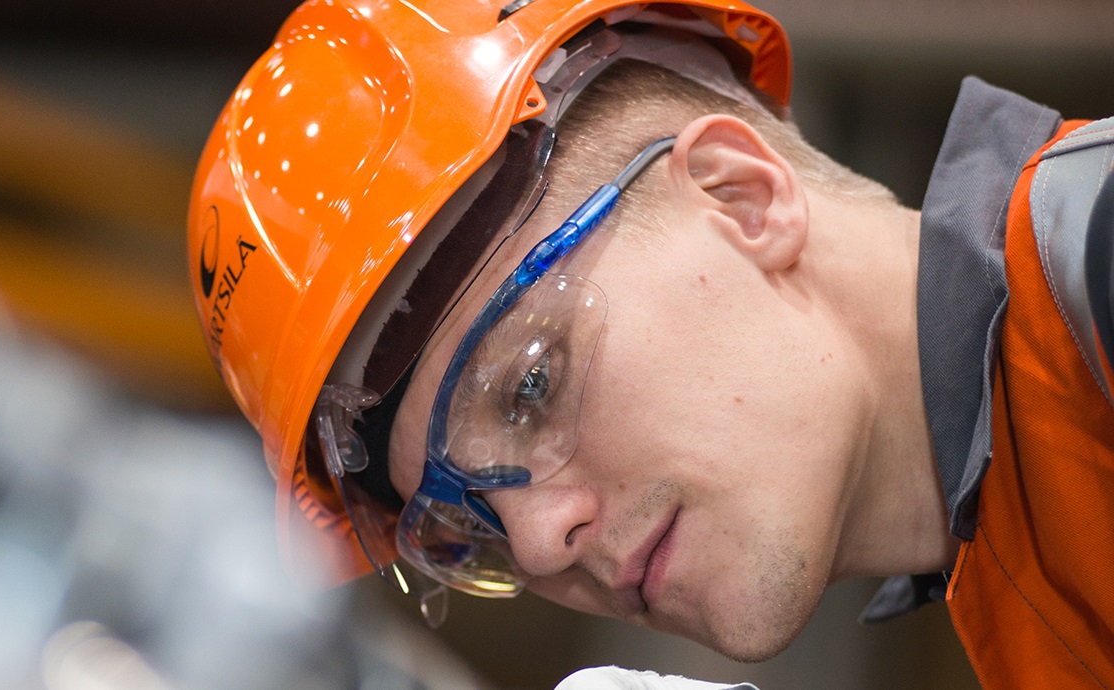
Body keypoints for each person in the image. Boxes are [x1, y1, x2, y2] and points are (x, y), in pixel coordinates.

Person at [184, 0, 1114, 686]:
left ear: (739, 197)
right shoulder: (1032, 551)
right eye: (470, 527)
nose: (539, 545)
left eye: (531, 386)